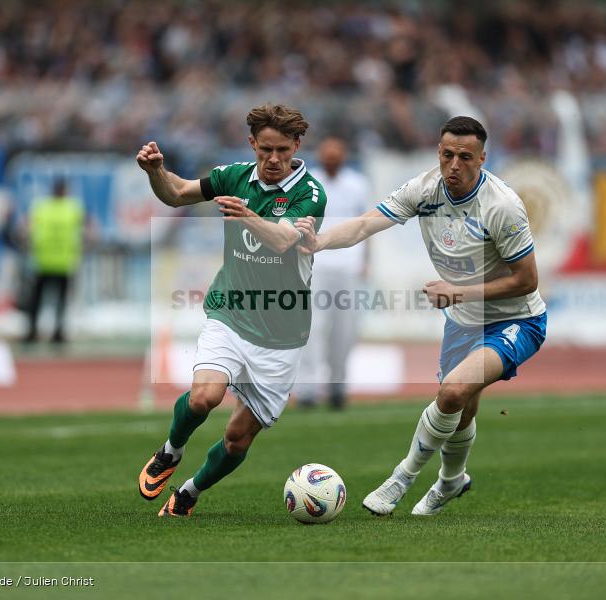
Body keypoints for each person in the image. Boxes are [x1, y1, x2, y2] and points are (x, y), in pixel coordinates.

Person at [296, 116, 546, 516]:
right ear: (438, 153)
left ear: (483, 158)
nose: (454, 165)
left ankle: (401, 479)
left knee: (450, 393)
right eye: (447, 155)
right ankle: (451, 481)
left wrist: (458, 291)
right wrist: (321, 241)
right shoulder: (424, 189)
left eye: (465, 157)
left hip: (517, 320)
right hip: (464, 318)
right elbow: (364, 225)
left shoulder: (502, 206)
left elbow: (528, 281)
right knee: (462, 407)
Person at [136, 104, 327, 518]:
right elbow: (177, 193)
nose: (273, 160)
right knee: (205, 397)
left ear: (296, 146)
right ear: (252, 144)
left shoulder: (310, 193)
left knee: (238, 438)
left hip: (282, 334)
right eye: (264, 150)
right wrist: (155, 171)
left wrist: (248, 215)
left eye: (281, 150)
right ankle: (170, 452)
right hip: (232, 312)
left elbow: (282, 240)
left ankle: (189, 492)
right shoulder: (233, 175)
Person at [295, 137, 371, 410]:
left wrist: (366, 259)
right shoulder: (307, 181)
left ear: (344, 156)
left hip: (349, 265)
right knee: (311, 329)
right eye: (327, 155)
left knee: (345, 330)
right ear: (320, 156)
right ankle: (306, 390)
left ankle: (338, 387)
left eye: (336, 155)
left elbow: (365, 224)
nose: (331, 160)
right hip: (314, 265)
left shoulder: (357, 183)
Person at [23, 178, 85, 344]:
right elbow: (88, 230)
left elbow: (26, 229)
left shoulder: (41, 207)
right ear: (64, 191)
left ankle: (33, 332)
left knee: (38, 300)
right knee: (59, 301)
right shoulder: (73, 208)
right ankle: (57, 333)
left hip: (43, 261)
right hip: (62, 262)